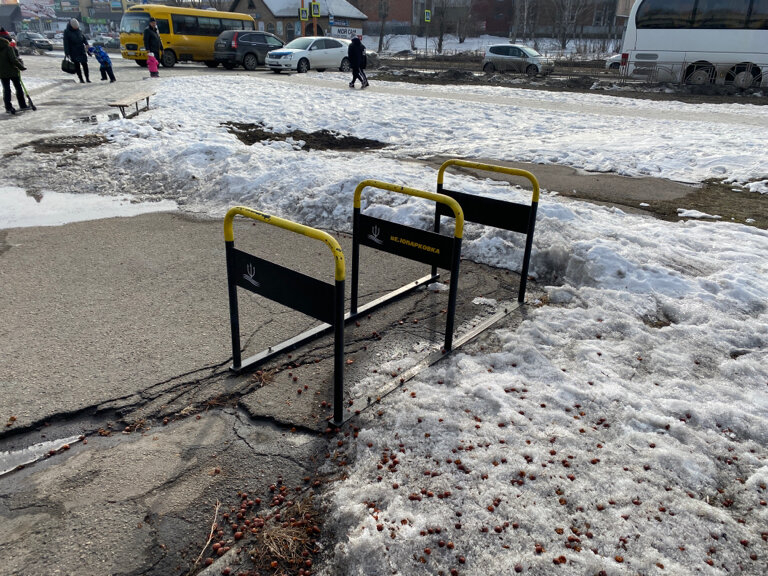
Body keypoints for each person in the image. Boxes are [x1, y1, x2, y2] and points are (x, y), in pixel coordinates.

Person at [0, 33, 27, 114]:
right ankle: (22, 105)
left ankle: (8, 107)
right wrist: (21, 67)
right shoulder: (8, 47)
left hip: (2, 73)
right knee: (18, 87)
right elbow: (13, 59)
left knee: (6, 89)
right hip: (12, 71)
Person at [63, 18, 90, 83]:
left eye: (77, 27)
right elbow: (66, 43)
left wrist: (86, 44)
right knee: (77, 66)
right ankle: (81, 79)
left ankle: (87, 78)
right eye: (75, 27)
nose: (76, 28)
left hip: (81, 50)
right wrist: (67, 53)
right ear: (71, 26)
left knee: (85, 64)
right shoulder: (67, 32)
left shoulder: (79, 30)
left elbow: (83, 38)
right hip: (73, 51)